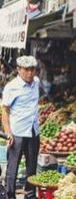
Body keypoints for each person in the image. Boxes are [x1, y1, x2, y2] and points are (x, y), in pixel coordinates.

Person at [1, 56, 41, 199]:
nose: (30, 73)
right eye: (26, 70)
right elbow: (5, 110)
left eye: (32, 70)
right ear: (18, 70)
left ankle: (30, 195)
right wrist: (8, 133)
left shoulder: (36, 82)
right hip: (17, 133)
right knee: (13, 169)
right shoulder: (11, 87)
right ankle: (9, 195)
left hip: (33, 131)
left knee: (32, 168)